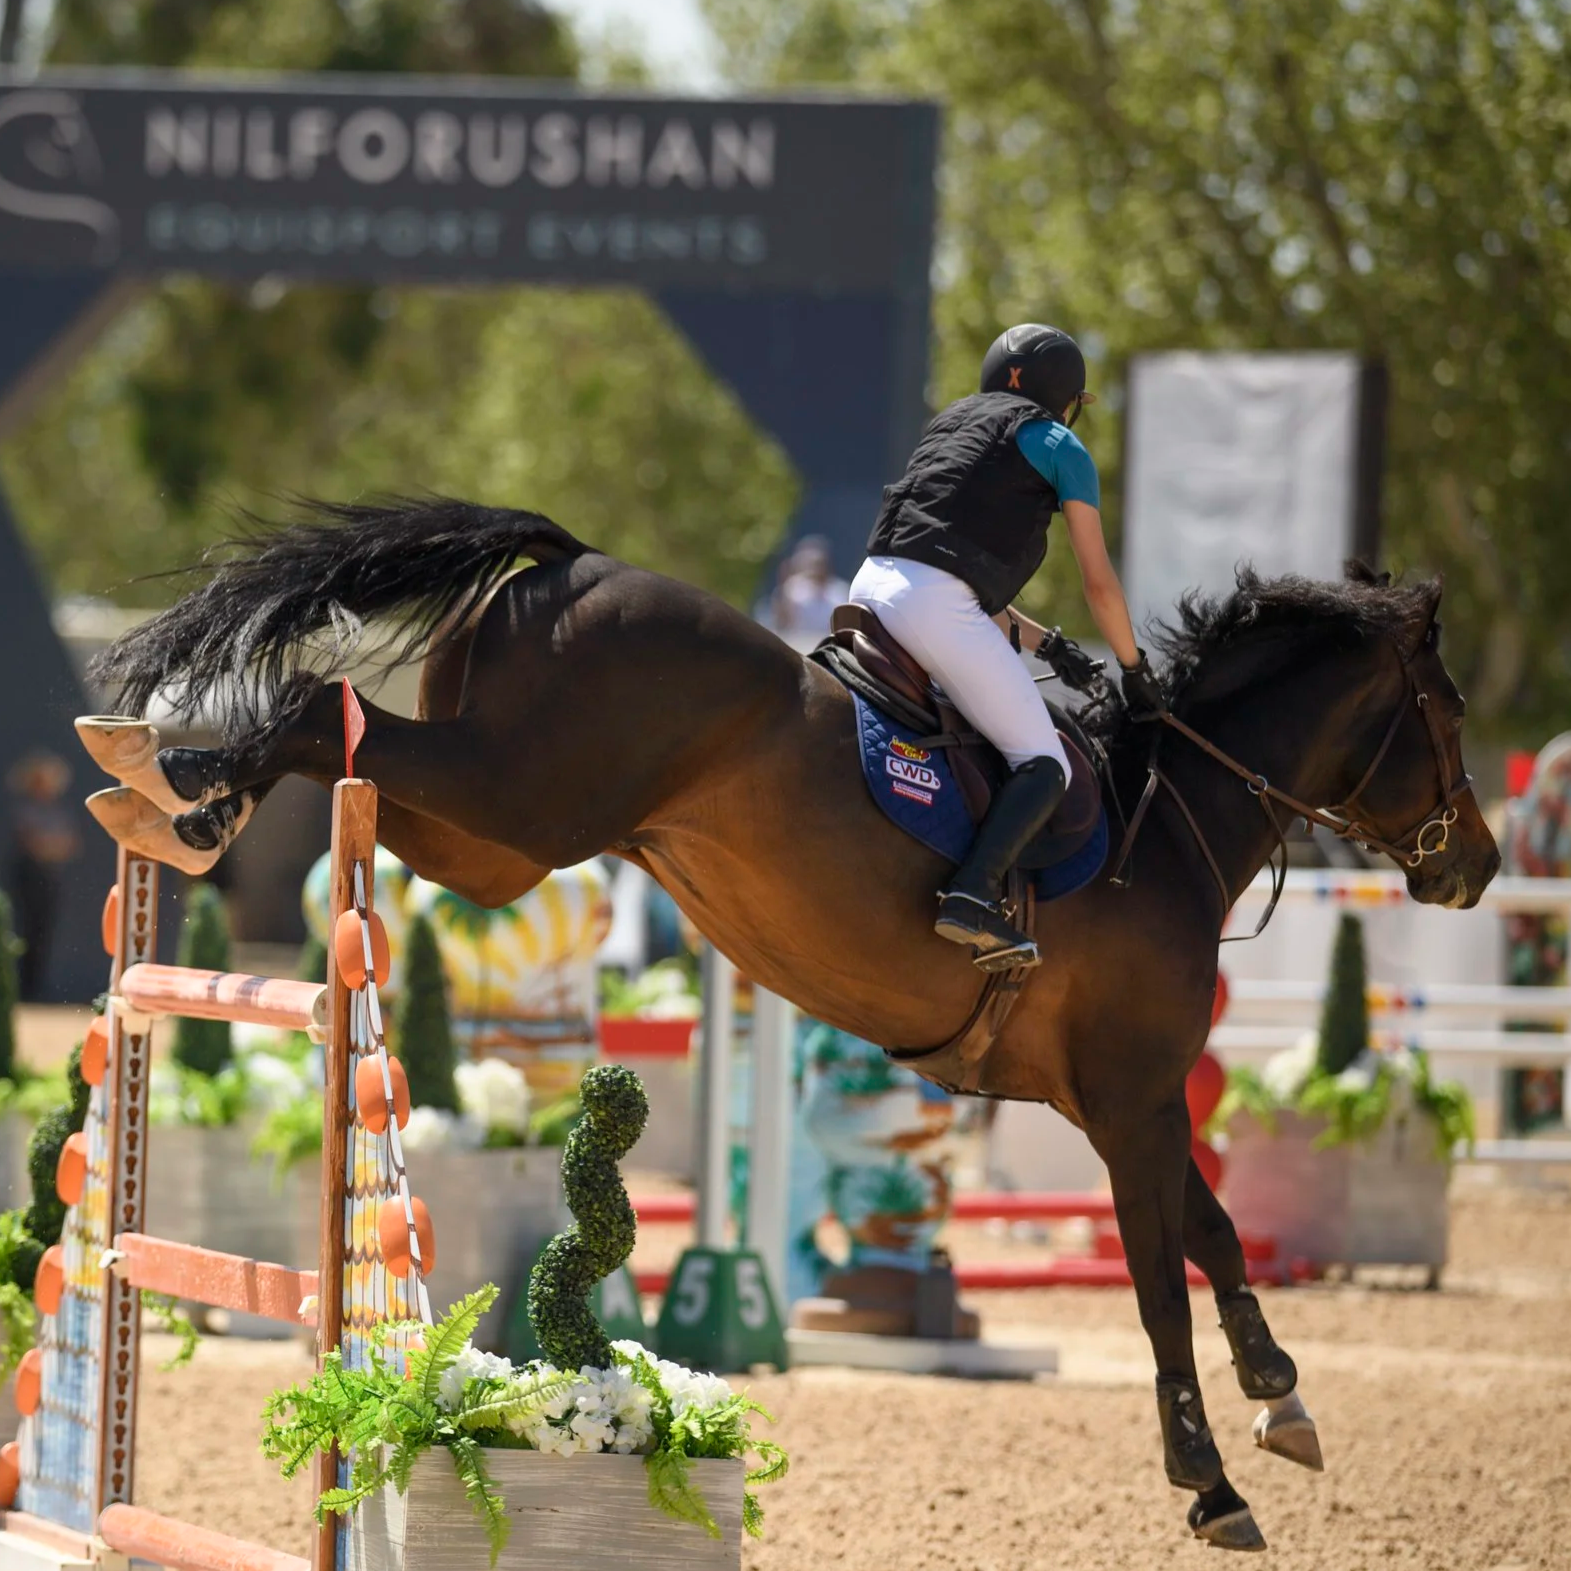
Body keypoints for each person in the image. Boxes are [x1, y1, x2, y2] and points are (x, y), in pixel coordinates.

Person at [851, 323, 1164, 968]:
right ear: (1069, 400)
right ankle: (970, 897)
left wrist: (1049, 646)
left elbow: (947, 571)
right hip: (933, 605)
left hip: (871, 585)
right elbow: (1100, 587)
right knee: (1045, 763)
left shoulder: (952, 422)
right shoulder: (1060, 445)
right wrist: (1133, 668)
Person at [4, 751, 81, 999]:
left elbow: (71, 844)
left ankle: (32, 989)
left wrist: (49, 846)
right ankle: (20, 989)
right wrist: (50, 846)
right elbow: (32, 843)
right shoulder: (26, 809)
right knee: (25, 931)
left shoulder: (58, 812)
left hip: (49, 879)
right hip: (28, 879)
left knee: (43, 933)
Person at [772, 535, 850, 642]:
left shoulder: (840, 590)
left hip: (827, 644)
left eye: (820, 563)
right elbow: (782, 622)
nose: (817, 568)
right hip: (798, 644)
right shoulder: (792, 587)